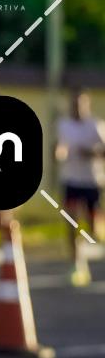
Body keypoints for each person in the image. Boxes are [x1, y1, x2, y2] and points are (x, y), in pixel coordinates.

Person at [56, 88, 105, 286]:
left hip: (92, 181)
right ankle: (76, 264)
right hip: (71, 180)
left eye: (80, 104)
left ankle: (92, 247)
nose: (76, 108)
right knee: (71, 222)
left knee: (93, 227)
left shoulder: (96, 125)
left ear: (87, 105)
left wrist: (91, 153)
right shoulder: (63, 125)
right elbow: (60, 146)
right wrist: (59, 152)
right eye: (73, 104)